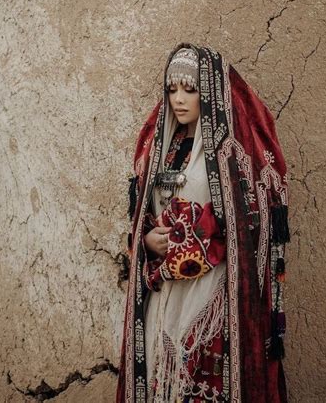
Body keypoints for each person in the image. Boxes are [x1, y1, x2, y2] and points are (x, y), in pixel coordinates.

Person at [116, 43, 290, 403]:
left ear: (209, 93)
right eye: (172, 89)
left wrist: (203, 236)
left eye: (190, 89)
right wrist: (149, 240)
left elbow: (252, 225)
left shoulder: (232, 155)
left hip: (211, 295)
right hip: (164, 296)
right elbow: (144, 217)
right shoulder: (162, 149)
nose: (179, 99)